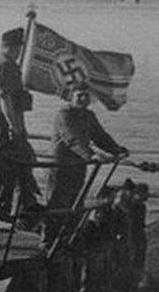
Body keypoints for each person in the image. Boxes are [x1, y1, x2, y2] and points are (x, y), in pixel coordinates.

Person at [45, 82, 128, 244]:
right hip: (61, 167)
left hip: (78, 166)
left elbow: (100, 137)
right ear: (71, 96)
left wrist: (117, 150)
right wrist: (91, 156)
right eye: (79, 96)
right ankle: (48, 240)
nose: (83, 99)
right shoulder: (64, 115)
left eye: (86, 96)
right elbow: (72, 139)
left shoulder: (88, 116)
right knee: (57, 202)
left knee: (76, 201)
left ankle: (68, 238)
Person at [0, 27, 40, 217]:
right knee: (8, 163)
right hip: (3, 122)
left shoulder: (5, 64)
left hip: (5, 120)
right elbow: (5, 99)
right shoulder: (5, 66)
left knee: (20, 159)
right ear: (10, 47)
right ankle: (1, 205)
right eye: (18, 49)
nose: (19, 53)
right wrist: (15, 128)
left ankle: (27, 202)